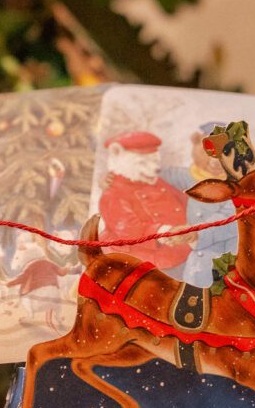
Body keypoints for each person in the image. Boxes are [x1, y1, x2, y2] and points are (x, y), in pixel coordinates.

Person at [98, 131, 190, 277]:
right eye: (143, 163)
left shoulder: (153, 181)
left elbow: (181, 200)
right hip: (147, 263)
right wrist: (162, 231)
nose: (154, 168)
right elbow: (129, 230)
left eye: (154, 161)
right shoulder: (114, 194)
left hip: (179, 250)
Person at [162, 122, 239, 287]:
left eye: (224, 153)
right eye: (209, 153)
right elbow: (158, 176)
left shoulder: (237, 185)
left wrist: (196, 234)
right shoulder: (191, 176)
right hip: (195, 260)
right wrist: (115, 178)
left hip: (224, 259)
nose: (216, 161)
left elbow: (228, 219)